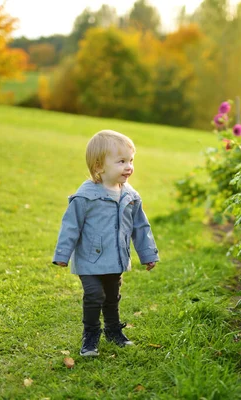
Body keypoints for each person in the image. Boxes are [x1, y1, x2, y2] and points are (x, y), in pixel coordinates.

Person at [52, 129, 159, 357]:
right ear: (99, 166)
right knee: (94, 295)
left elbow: (140, 227)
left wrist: (148, 254)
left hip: (116, 258)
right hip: (90, 259)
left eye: (131, 160)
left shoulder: (131, 196)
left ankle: (113, 331)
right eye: (121, 161)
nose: (129, 166)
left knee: (112, 297)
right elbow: (71, 225)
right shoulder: (85, 196)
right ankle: (90, 335)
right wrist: (62, 254)